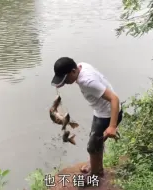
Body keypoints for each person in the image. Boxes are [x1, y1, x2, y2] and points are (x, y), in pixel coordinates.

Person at [51, 57, 123, 185]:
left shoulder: (87, 82)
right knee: (97, 140)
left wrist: (112, 126)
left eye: (65, 79)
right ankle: (95, 164)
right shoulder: (81, 66)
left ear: (73, 71)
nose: (65, 83)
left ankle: (95, 175)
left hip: (108, 114)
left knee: (92, 146)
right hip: (100, 111)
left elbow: (114, 99)